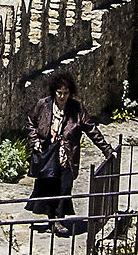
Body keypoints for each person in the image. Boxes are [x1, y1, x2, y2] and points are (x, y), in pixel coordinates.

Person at [26, 72, 114, 235]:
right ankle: (54, 220)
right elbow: (31, 122)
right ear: (54, 91)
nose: (62, 96)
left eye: (66, 93)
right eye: (59, 93)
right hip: (47, 153)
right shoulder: (43, 104)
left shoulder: (77, 109)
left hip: (67, 155)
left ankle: (58, 218)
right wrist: (35, 141)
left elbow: (91, 130)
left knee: (65, 187)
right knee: (49, 187)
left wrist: (107, 150)